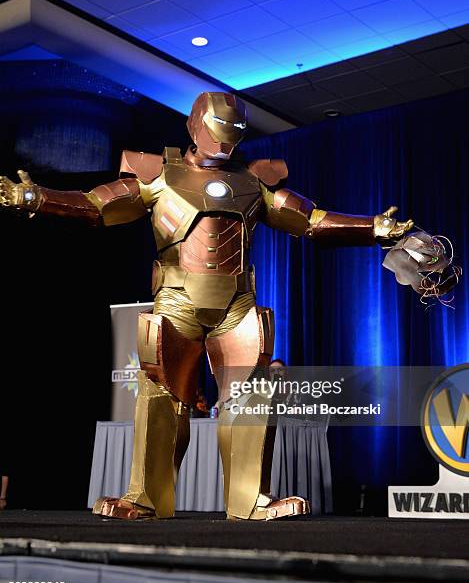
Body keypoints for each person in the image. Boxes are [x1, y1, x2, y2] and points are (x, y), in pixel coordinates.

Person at [0, 91, 414, 521]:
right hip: (177, 300)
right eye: (218, 131)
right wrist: (37, 198)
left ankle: (250, 500)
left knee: (252, 395)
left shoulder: (254, 181)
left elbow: (311, 220)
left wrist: (372, 228)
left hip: (236, 304)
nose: (225, 142)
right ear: (195, 125)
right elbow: (95, 206)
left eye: (234, 133)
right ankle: (145, 498)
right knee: (160, 393)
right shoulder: (158, 174)